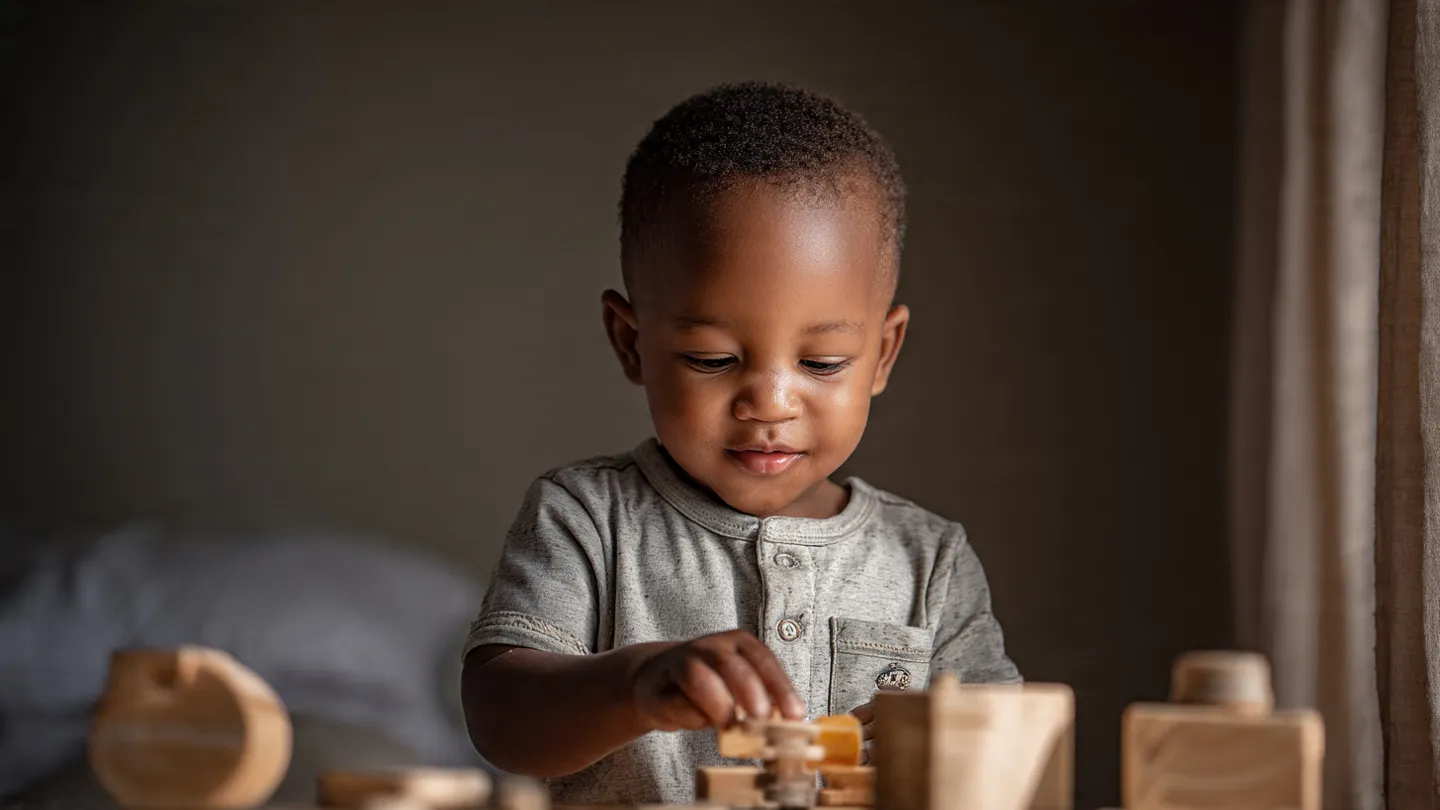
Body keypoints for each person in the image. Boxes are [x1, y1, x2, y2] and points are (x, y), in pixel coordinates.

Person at [460, 81, 1020, 805]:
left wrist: (956, 745)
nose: (770, 404)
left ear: (882, 355)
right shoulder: (588, 518)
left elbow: (1011, 754)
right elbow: (502, 717)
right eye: (713, 359)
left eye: (822, 364)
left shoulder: (930, 561)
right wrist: (635, 685)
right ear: (631, 343)